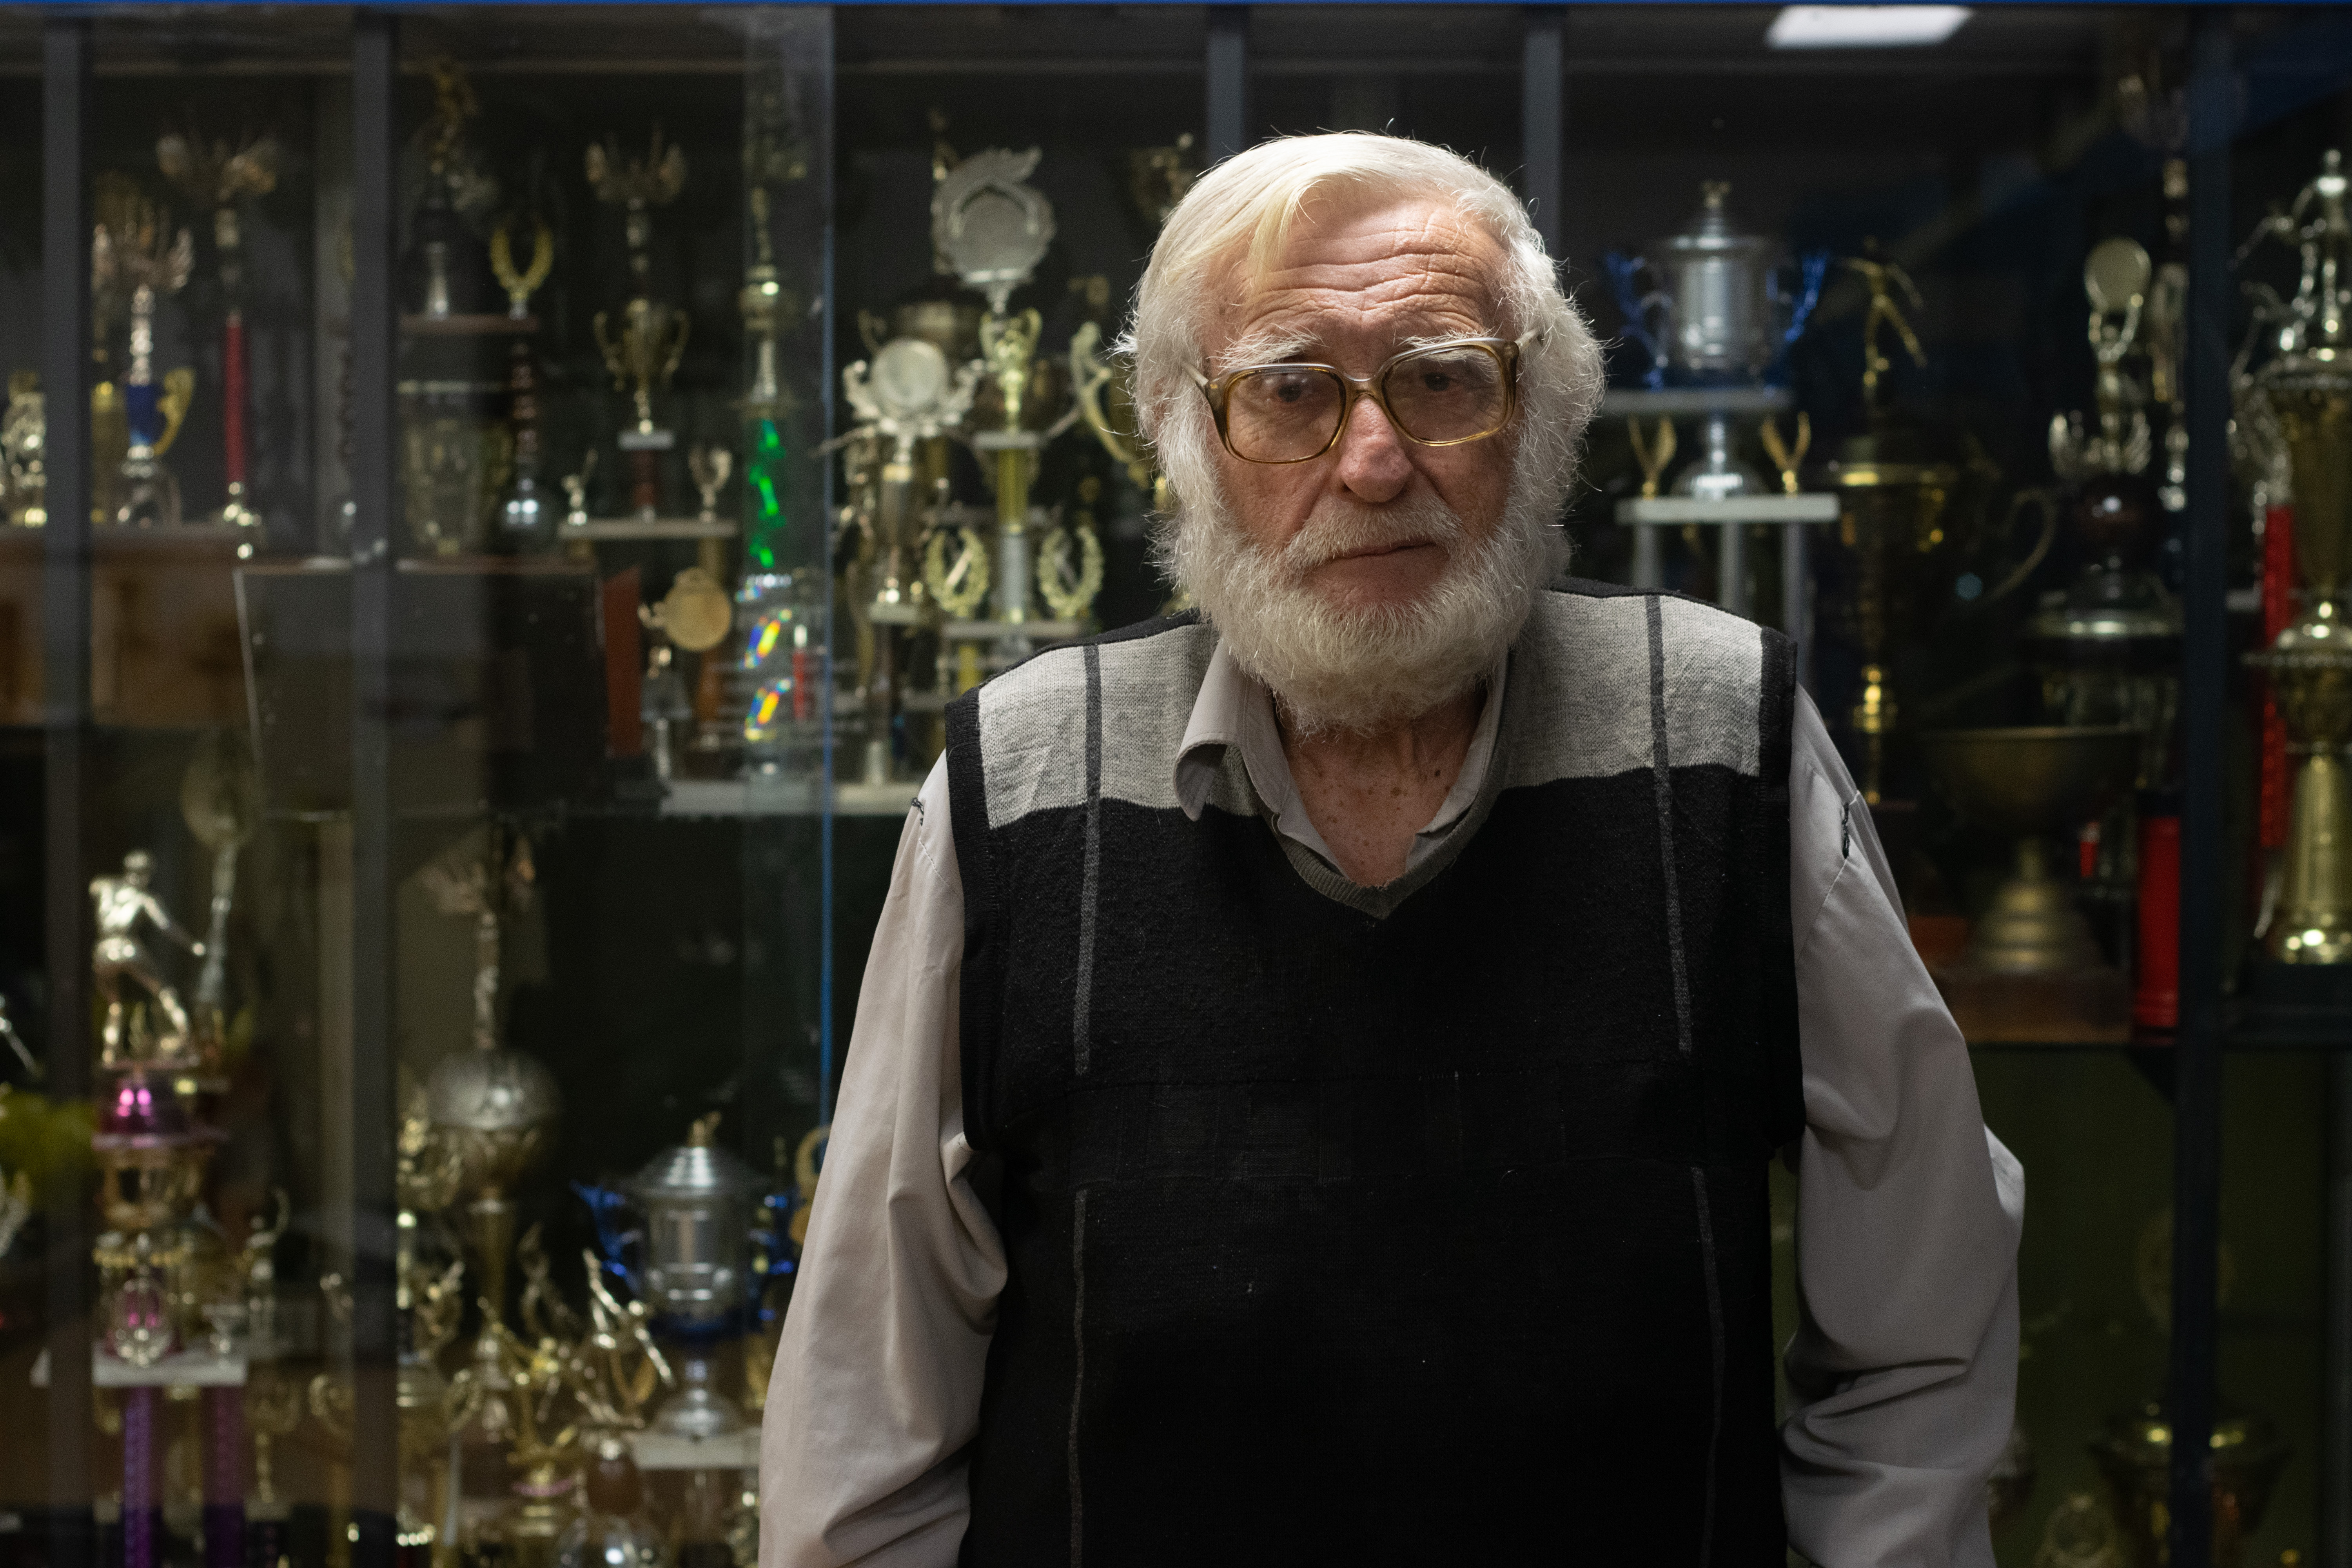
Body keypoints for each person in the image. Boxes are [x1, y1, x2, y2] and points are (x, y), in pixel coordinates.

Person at [764, 132, 2022, 1568]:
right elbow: (863, 1429)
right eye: (1290, 391)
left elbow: (1924, 1338)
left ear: (1539, 420)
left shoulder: (1725, 735)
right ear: (1182, 438)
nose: (1373, 461)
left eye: (1440, 380)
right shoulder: (1021, 775)